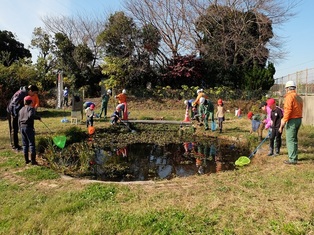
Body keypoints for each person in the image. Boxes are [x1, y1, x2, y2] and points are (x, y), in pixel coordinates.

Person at [7, 85, 39, 151]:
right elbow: (14, 104)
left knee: (18, 128)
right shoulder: (21, 93)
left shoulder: (25, 93)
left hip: (17, 112)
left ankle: (17, 144)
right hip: (12, 112)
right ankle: (14, 146)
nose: (34, 95)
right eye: (34, 93)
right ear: (30, 91)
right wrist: (15, 114)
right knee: (14, 129)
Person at [279, 81, 303, 165]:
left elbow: (288, 110)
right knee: (294, 139)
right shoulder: (298, 97)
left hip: (292, 120)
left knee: (290, 140)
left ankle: (292, 159)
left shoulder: (289, 97)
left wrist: (283, 121)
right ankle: (294, 157)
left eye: (286, 88)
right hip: (298, 119)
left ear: (288, 88)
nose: (285, 90)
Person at [18, 95, 41, 165]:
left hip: (22, 127)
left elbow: (18, 120)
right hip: (28, 127)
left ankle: (26, 160)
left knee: (25, 145)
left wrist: (19, 129)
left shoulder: (21, 109)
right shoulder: (31, 108)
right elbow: (31, 116)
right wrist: (38, 117)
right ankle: (33, 161)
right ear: (31, 102)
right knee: (31, 144)